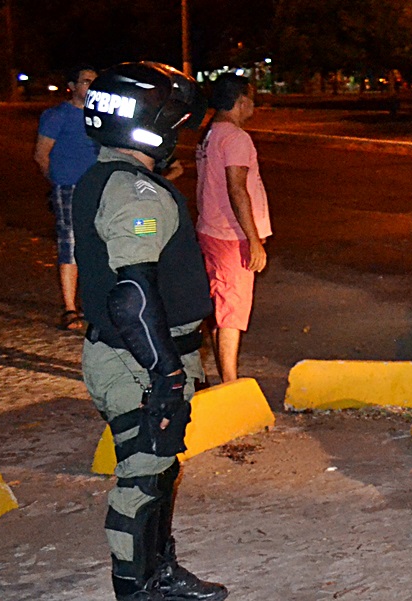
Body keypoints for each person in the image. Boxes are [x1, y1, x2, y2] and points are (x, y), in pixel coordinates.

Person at [73, 62, 228, 601]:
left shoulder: (109, 177)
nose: (179, 134)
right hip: (136, 359)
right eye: (175, 122)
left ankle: (158, 572)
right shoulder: (135, 193)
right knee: (142, 478)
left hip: (138, 352)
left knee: (159, 470)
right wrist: (165, 372)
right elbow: (132, 294)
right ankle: (135, 588)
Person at [194, 75, 270, 384]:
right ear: (240, 102)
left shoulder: (209, 133)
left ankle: (220, 375)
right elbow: (237, 189)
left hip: (211, 229)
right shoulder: (237, 138)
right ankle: (229, 382)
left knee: (219, 306)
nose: (253, 106)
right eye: (251, 100)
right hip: (231, 236)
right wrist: (254, 241)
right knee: (231, 313)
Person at [34, 65, 99, 330]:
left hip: (97, 188)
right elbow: (41, 154)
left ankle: (96, 302)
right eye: (85, 81)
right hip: (69, 187)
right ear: (72, 86)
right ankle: (70, 308)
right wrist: (58, 180)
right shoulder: (57, 116)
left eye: (94, 82)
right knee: (70, 244)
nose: (91, 86)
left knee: (97, 244)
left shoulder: (101, 116)